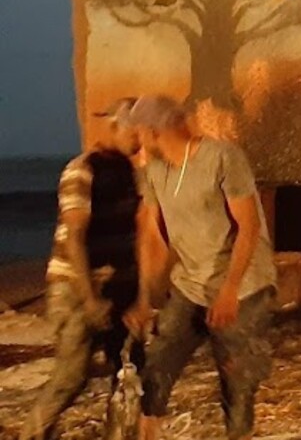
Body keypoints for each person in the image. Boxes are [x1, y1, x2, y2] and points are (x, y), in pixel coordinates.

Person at [121, 95, 276, 440]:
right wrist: (145, 298)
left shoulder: (222, 158)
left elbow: (248, 227)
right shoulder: (156, 171)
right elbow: (153, 237)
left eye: (139, 132)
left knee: (236, 377)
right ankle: (148, 432)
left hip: (243, 284)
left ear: (152, 130)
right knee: (157, 363)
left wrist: (230, 289)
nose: (136, 140)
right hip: (191, 284)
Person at [19, 99, 145, 440]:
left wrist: (140, 294)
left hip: (117, 286)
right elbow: (75, 237)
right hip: (77, 286)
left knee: (132, 373)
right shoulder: (83, 170)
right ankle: (32, 434)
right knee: (72, 375)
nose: (141, 141)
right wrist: (89, 299)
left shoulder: (126, 172)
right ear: (117, 128)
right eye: (136, 132)